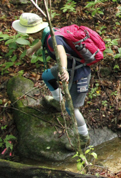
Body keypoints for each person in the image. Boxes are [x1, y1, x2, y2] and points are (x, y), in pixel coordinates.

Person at [12, 13, 91, 149]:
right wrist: (32, 49)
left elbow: (60, 51)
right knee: (47, 76)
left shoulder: (51, 38)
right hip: (68, 67)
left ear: (33, 31)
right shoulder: (48, 32)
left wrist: (64, 69)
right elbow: (42, 41)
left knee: (71, 107)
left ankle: (84, 137)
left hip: (78, 72)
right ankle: (57, 101)